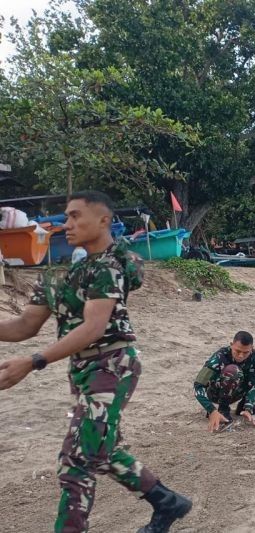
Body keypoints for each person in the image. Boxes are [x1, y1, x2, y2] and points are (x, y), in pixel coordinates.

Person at [0, 191, 191, 533]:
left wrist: (33, 362)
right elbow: (25, 325)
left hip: (112, 365)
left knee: (76, 460)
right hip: (83, 371)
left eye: (75, 216)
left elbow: (93, 327)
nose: (67, 223)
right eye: (66, 216)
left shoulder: (109, 268)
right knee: (102, 449)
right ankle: (167, 502)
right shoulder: (57, 276)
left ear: (104, 220)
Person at [194, 331, 255, 432]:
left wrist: (248, 407)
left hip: (239, 389)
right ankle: (223, 409)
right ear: (231, 345)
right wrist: (211, 410)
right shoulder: (219, 357)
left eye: (246, 352)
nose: (241, 355)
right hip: (216, 393)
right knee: (234, 370)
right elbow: (198, 386)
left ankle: (242, 407)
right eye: (237, 351)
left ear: (251, 348)